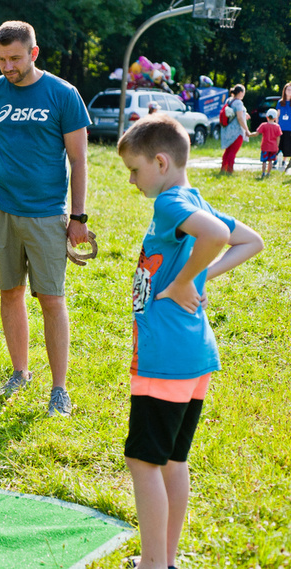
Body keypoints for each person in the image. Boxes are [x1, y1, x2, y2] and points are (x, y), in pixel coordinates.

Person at [116, 113, 263, 569]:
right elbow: (251, 241)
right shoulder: (193, 199)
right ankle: (165, 560)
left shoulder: (170, 203)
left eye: (135, 170)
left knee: (143, 462)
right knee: (171, 461)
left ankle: (152, 565)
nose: (133, 181)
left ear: (160, 162)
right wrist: (197, 276)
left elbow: (220, 236)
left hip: (165, 357)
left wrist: (185, 282)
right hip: (193, 356)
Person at [0, 21, 90, 416]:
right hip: (0, 209)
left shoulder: (63, 94)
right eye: (1, 59)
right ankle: (19, 373)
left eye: (15, 58)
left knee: (52, 300)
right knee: (10, 293)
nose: (8, 66)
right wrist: (3, 139)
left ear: (34, 53)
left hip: (46, 214)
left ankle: (59, 390)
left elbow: (79, 160)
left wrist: (78, 216)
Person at [219, 84, 253, 174]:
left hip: (227, 129)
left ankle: (223, 169)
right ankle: (230, 170)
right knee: (233, 151)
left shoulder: (229, 100)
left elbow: (234, 112)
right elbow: (239, 117)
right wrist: (246, 130)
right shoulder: (238, 102)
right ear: (241, 92)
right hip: (236, 131)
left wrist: (245, 114)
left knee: (228, 150)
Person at [251, 108, 282, 178]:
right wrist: (277, 146)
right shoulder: (277, 127)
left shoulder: (263, 125)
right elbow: (278, 137)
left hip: (265, 146)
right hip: (273, 147)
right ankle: (268, 173)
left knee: (264, 161)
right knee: (270, 161)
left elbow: (256, 133)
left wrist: (249, 134)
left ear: (267, 117)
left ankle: (263, 173)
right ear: (275, 118)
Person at [276, 82, 291, 173]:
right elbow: (277, 115)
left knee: (287, 145)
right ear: (284, 91)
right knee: (278, 145)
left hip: (289, 128)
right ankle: (275, 160)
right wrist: (276, 126)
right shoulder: (280, 102)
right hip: (280, 128)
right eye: (288, 89)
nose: (289, 91)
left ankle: (284, 161)